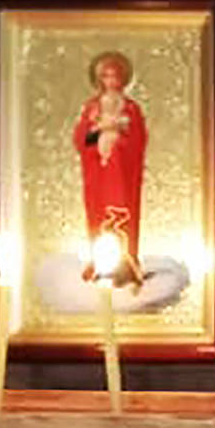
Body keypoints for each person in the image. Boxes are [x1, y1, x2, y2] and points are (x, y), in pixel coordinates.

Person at [72, 51, 147, 285]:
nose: (111, 81)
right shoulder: (92, 107)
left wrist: (119, 139)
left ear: (123, 79)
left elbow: (139, 139)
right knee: (98, 215)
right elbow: (81, 139)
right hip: (99, 172)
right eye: (106, 76)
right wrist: (100, 133)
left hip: (123, 172)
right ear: (100, 80)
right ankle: (99, 263)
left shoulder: (131, 108)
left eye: (116, 77)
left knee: (124, 216)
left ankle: (128, 262)